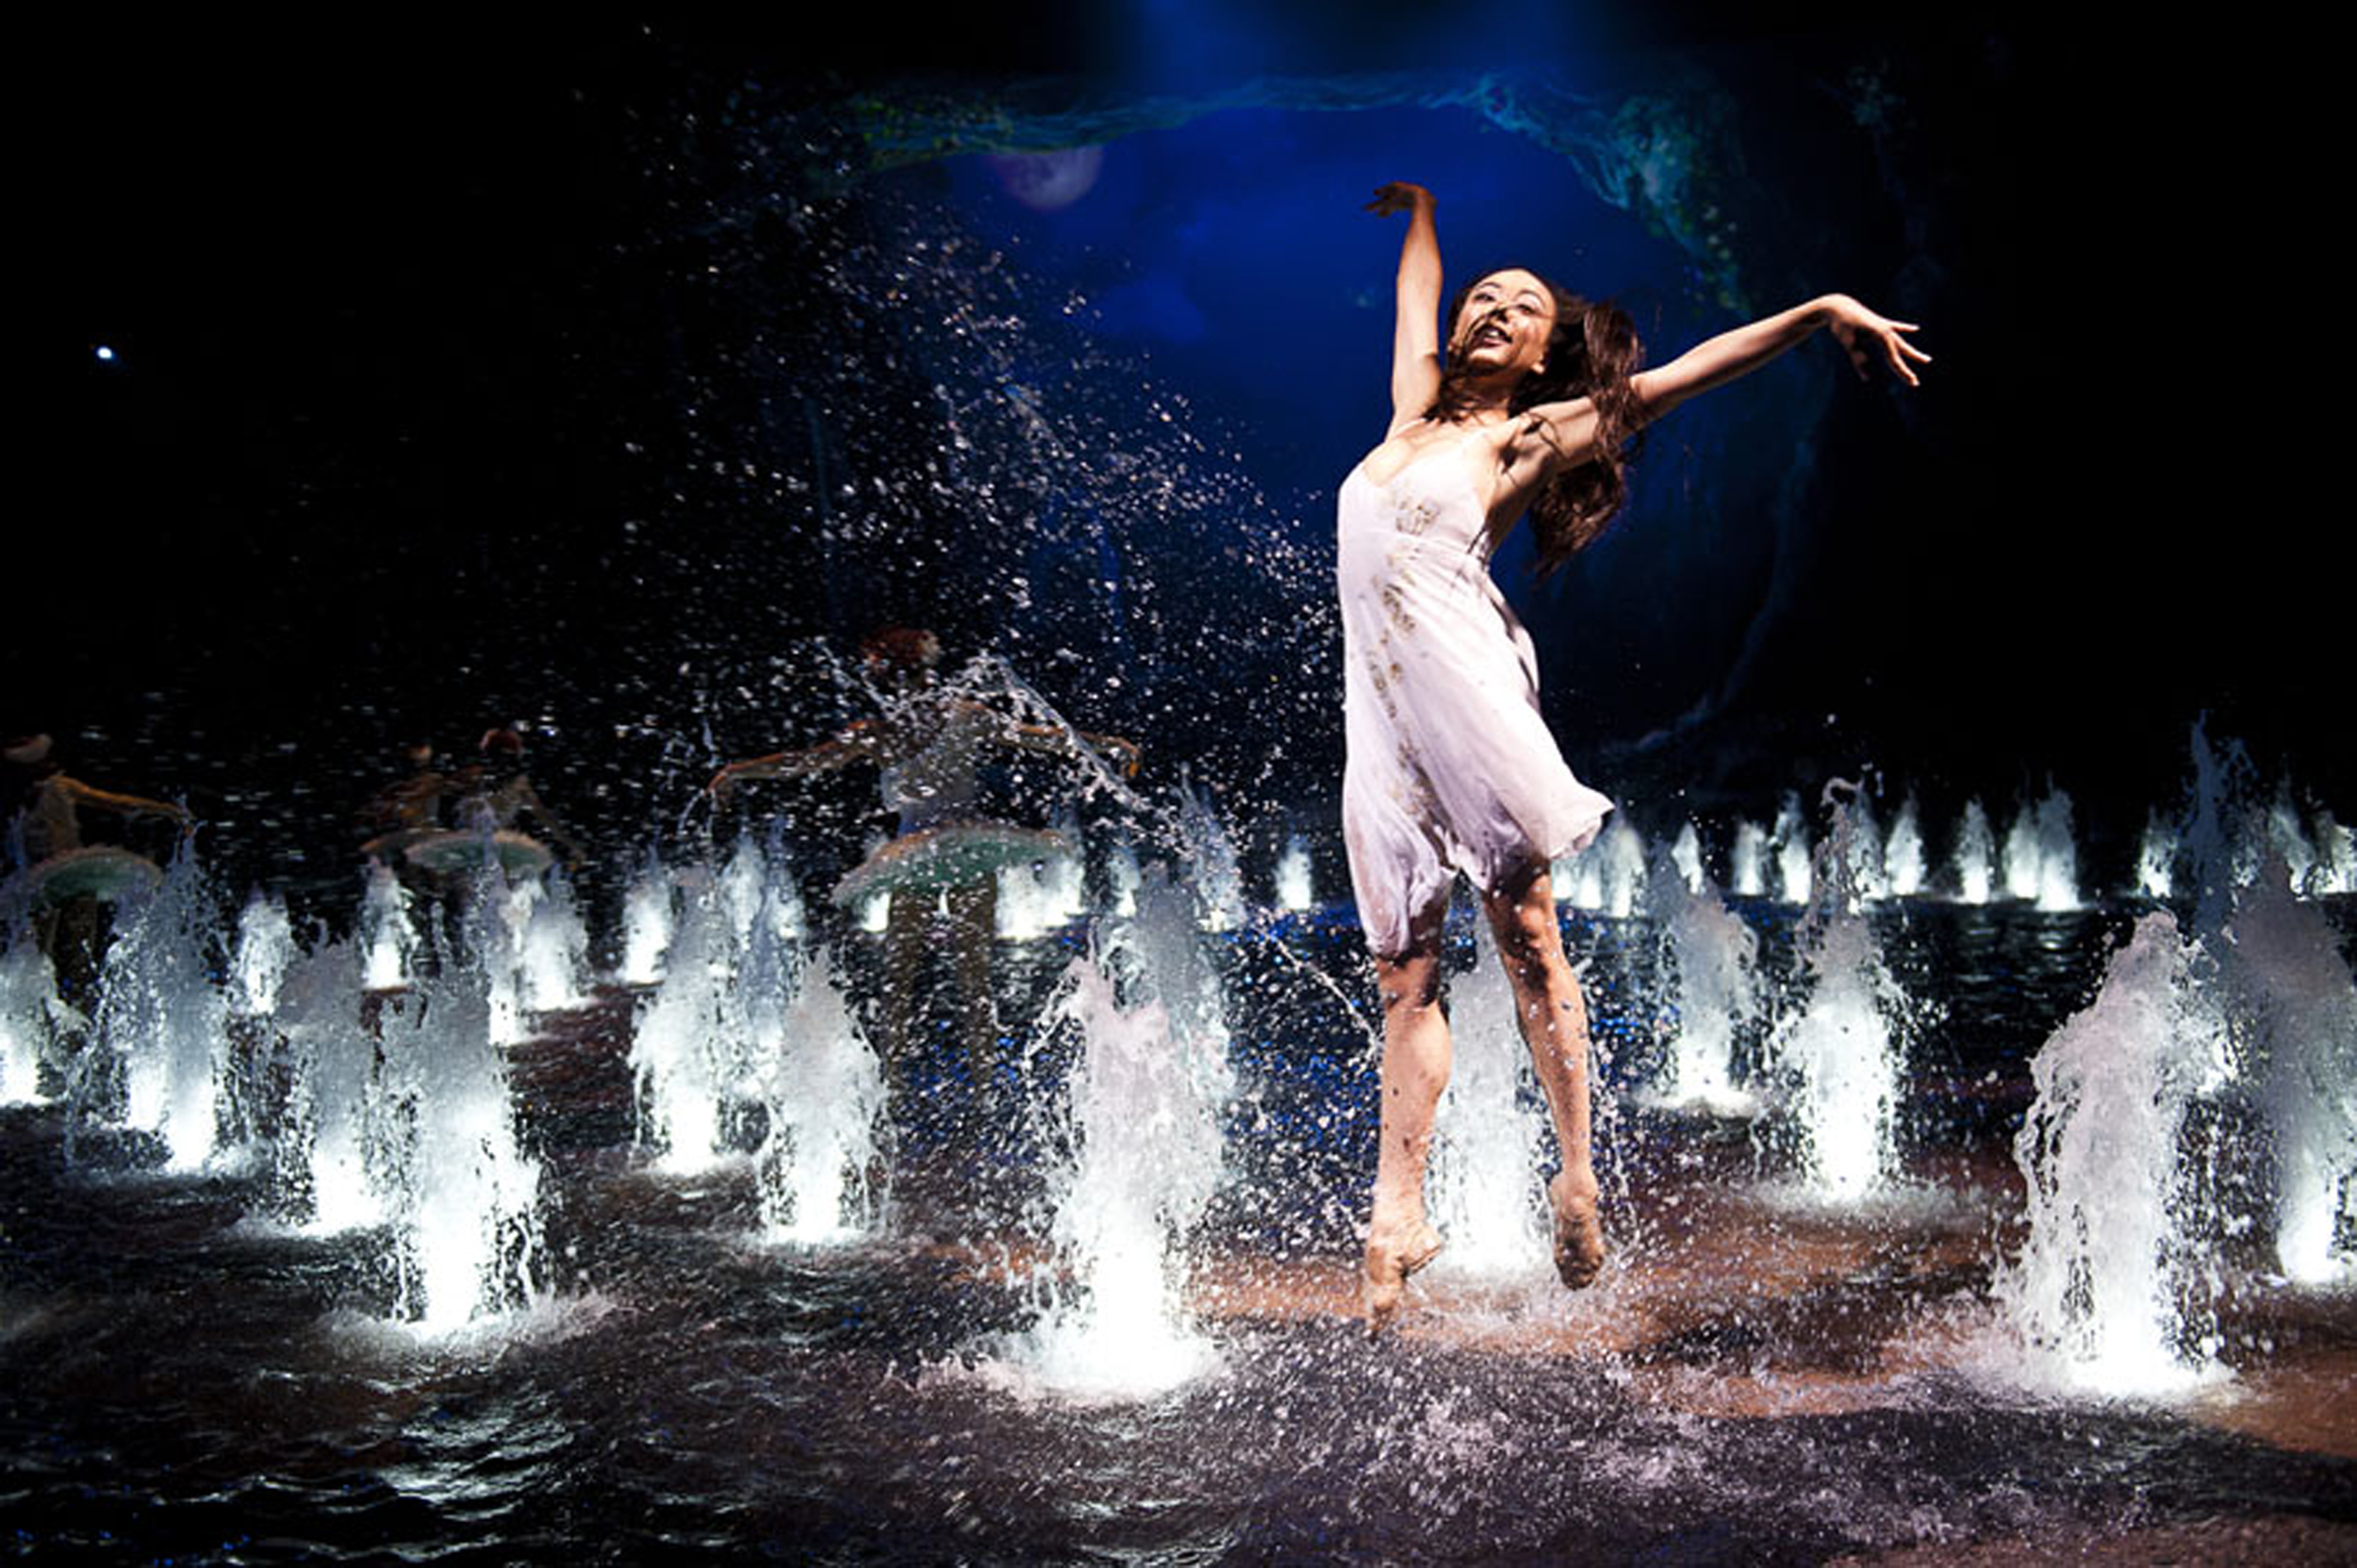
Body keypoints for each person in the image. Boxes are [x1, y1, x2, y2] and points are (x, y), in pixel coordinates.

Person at [1345, 182, 1926, 1331]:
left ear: (1545, 353)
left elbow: (1683, 376)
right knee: (1403, 972)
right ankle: (1397, 1208)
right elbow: (1416, 296)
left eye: (1521, 306)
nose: (1492, 310)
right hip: (1383, 715)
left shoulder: (1537, 433)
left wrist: (1819, 309)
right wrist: (1419, 215)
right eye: (1483, 299)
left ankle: (1574, 1173)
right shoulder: (1411, 410)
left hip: (1467, 692)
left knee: (1527, 939)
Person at [710, 628, 1140, 1070]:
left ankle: (915, 1082)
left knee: (911, 979)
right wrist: (1108, 743)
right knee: (963, 980)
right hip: (956, 853)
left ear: (890, 678)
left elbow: (804, 763)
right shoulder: (927, 723)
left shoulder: (897, 730)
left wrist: (738, 772)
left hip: (925, 857)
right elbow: (1045, 738)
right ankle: (967, 1086)